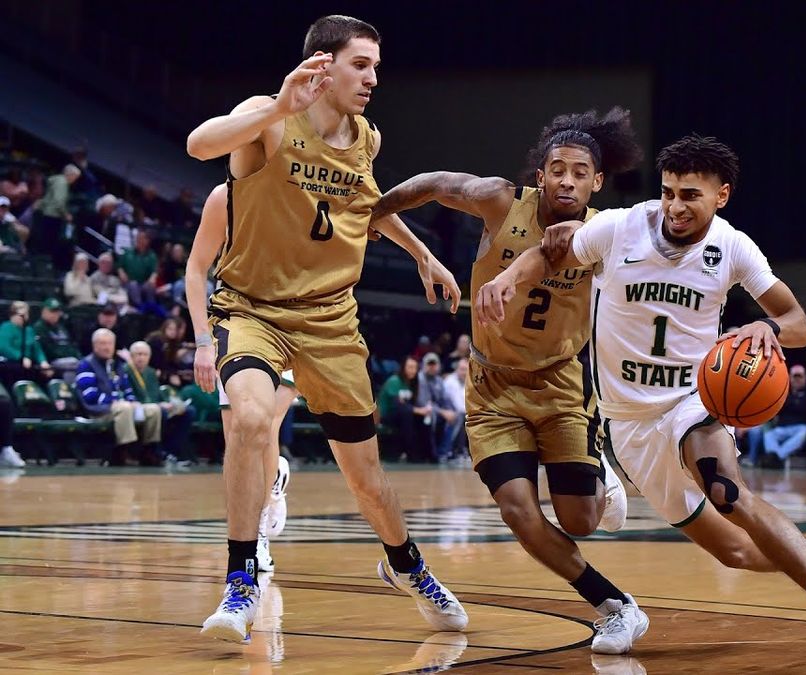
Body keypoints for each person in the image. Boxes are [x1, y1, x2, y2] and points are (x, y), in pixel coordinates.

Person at [477, 134, 806, 655]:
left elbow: (798, 323)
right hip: (629, 422)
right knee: (736, 553)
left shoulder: (732, 247)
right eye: (668, 193)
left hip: (694, 398)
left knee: (725, 490)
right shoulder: (619, 229)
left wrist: (767, 330)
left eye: (690, 195)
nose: (675, 207)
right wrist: (507, 278)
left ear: (721, 196)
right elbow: (548, 256)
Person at [185, 14, 466, 643]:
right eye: (360, 65)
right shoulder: (269, 116)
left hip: (331, 321)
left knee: (365, 477)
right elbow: (200, 145)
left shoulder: (366, 139)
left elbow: (367, 205)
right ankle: (241, 580)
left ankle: (406, 565)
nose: (371, 78)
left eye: (375, 67)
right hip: (253, 309)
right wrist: (276, 106)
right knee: (253, 420)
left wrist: (424, 255)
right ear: (322, 66)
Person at [374, 109, 641, 653]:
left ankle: (599, 478)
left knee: (581, 521)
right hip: (493, 388)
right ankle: (614, 605)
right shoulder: (500, 200)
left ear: (596, 183)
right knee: (519, 511)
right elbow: (434, 185)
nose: (567, 179)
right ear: (539, 176)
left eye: (579, 172)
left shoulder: (604, 234)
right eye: (557, 169)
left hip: (561, 385)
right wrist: (376, 211)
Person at [76, 328, 162, 466]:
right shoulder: (86, 364)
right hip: (98, 410)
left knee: (153, 409)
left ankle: (149, 451)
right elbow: (89, 395)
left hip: (119, 407)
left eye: (110, 343)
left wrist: (133, 401)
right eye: (102, 344)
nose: (107, 347)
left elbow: (126, 389)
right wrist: (114, 401)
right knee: (125, 407)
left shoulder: (117, 364)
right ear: (94, 345)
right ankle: (124, 450)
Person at [126, 340, 196, 465]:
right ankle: (156, 453)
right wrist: (159, 405)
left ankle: (170, 451)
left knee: (188, 411)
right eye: (138, 354)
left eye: (145, 354)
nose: (141, 357)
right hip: (138, 409)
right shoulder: (125, 371)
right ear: (131, 356)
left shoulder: (151, 372)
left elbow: (158, 395)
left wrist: (168, 403)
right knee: (160, 412)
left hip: (156, 406)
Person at [33, 298, 82, 372]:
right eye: (52, 311)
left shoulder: (61, 327)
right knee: (73, 362)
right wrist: (67, 353)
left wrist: (79, 357)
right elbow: (47, 350)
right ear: (44, 311)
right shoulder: (39, 327)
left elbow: (71, 345)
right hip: (52, 362)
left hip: (68, 359)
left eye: (57, 311)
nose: (55, 314)